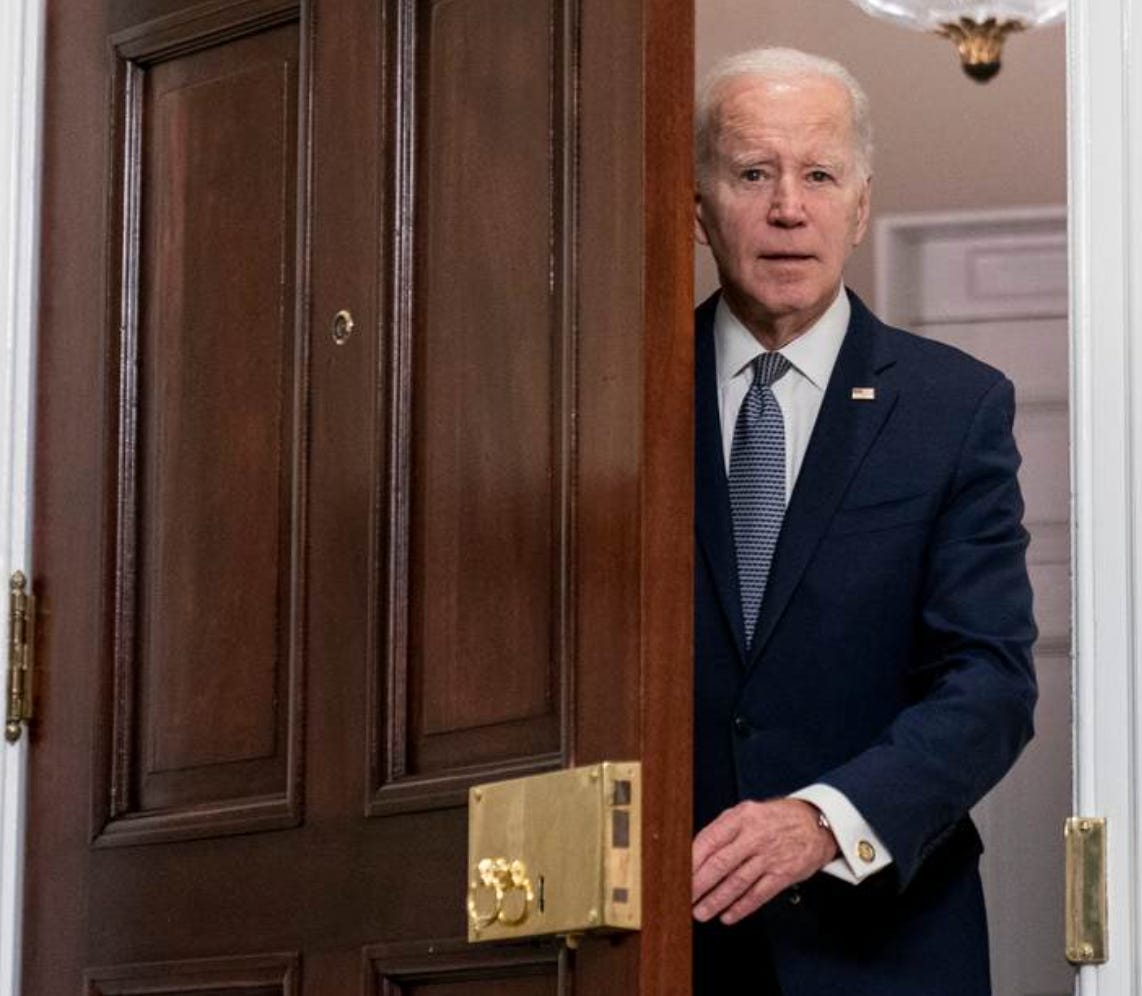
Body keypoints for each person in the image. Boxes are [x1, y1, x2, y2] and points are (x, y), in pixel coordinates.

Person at [691, 47, 1037, 995]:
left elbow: (991, 681)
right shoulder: (611, 399)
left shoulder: (954, 407)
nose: (788, 208)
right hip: (664, 940)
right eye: (753, 173)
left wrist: (823, 820)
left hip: (886, 948)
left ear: (860, 206)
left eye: (819, 175)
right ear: (699, 207)